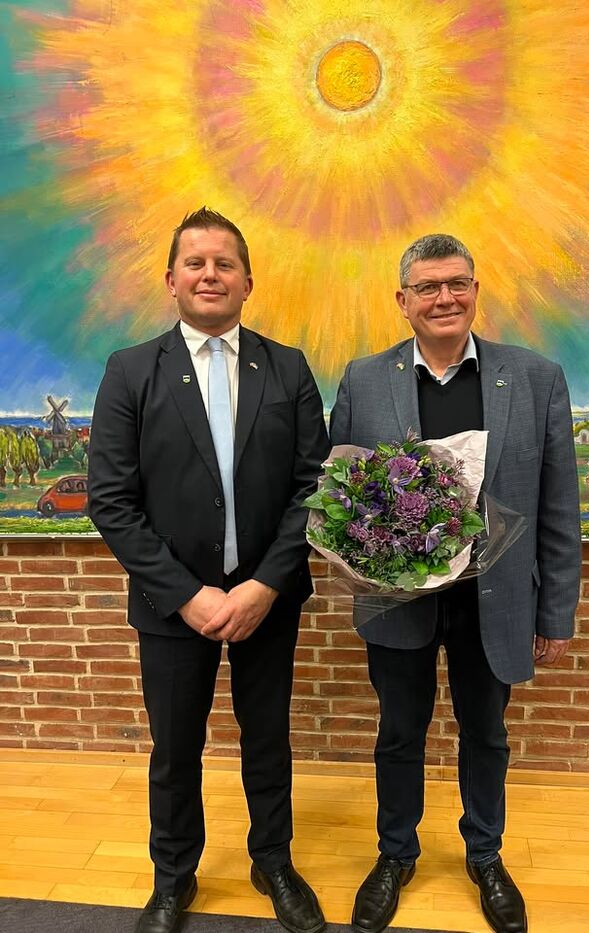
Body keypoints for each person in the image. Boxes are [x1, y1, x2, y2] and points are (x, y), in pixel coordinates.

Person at [330, 234, 581, 933]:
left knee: (486, 734)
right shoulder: (363, 379)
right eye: (428, 286)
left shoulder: (534, 378)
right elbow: (340, 490)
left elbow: (559, 505)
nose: (445, 298)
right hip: (396, 600)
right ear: (402, 299)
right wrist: (356, 559)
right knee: (398, 734)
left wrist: (556, 613)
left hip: (494, 600)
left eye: (458, 283)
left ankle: (485, 855)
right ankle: (394, 855)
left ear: (475, 290)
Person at [88, 207, 330, 933]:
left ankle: (274, 862)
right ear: (171, 279)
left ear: (248, 281)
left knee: (268, 738)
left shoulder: (288, 367)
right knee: (176, 748)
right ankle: (173, 878)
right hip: (172, 604)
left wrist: (264, 585)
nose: (210, 274)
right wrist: (187, 595)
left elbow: (315, 488)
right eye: (195, 263)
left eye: (225, 263)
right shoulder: (131, 370)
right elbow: (110, 499)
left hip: (267, 599)